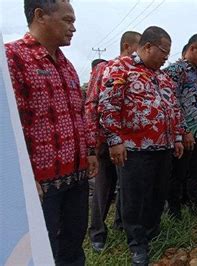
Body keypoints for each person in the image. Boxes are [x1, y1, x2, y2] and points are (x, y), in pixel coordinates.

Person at [5, 0, 98, 264]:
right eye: (68, 20)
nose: (74, 28)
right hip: (41, 186)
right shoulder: (12, 58)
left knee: (72, 246)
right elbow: (10, 127)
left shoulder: (66, 64)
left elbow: (79, 113)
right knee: (42, 252)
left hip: (76, 179)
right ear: (40, 16)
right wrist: (21, 178)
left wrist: (90, 151)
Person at [98, 26, 184, 265]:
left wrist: (176, 137)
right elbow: (108, 106)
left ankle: (151, 232)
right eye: (163, 51)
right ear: (147, 47)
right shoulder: (120, 68)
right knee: (135, 196)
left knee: (157, 194)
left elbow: (174, 109)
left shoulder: (163, 77)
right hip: (134, 149)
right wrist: (115, 141)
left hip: (163, 147)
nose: (167, 56)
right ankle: (137, 243)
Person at [85, 31, 141, 252]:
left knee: (125, 188)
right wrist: (93, 142)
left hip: (131, 142)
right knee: (103, 188)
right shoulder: (104, 68)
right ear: (127, 46)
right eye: (139, 48)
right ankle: (97, 233)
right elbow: (91, 106)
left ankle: (120, 225)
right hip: (105, 140)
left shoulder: (139, 72)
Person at [164, 34, 197, 217]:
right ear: (192, 48)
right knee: (178, 173)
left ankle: (194, 205)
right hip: (183, 134)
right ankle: (174, 210)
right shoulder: (175, 71)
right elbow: (173, 102)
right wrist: (185, 131)